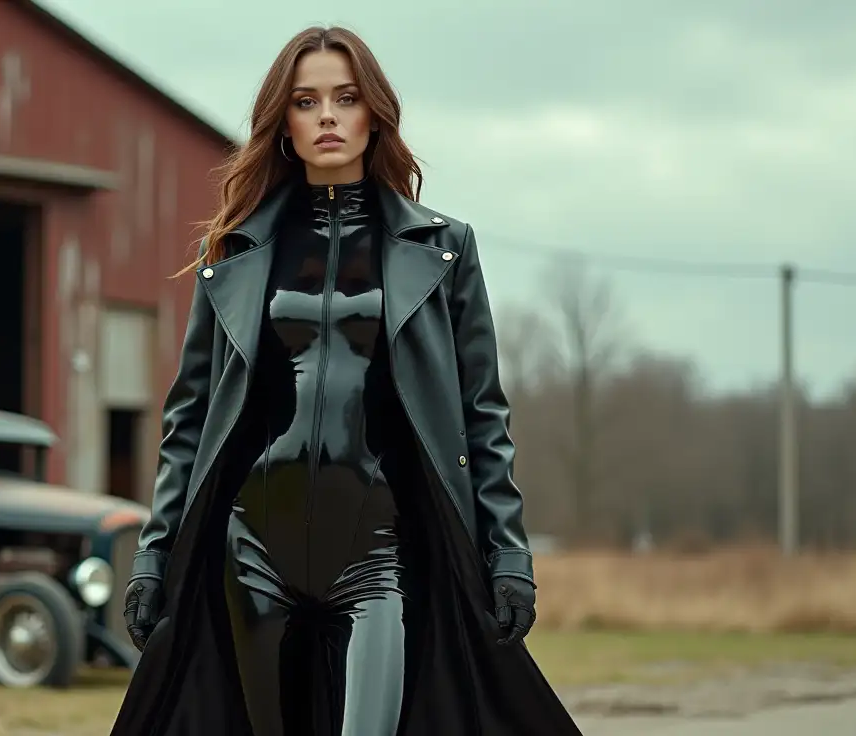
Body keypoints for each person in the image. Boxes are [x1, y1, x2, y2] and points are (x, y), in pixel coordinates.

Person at [110, 25, 582, 736]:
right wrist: (153, 555)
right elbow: (189, 421)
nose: (327, 115)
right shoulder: (235, 253)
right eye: (306, 101)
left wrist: (509, 552)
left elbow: (483, 416)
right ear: (285, 126)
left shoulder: (444, 251)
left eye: (345, 97)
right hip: (252, 552)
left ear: (374, 114)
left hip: (378, 558)